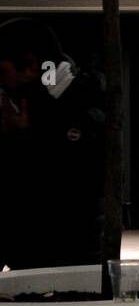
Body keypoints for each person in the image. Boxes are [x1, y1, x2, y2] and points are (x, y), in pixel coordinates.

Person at [0, 18, 105, 270]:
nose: (2, 82)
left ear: (30, 64)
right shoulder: (39, 101)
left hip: (66, 258)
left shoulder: (80, 104)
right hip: (35, 253)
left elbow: (65, 184)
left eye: (1, 71)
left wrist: (20, 137)